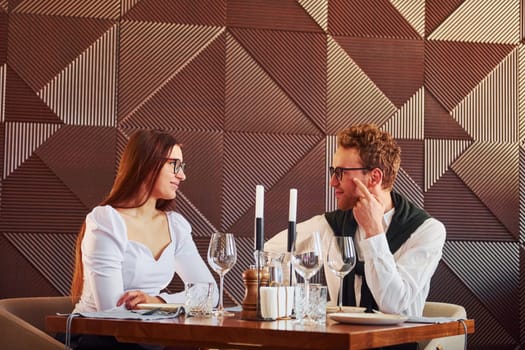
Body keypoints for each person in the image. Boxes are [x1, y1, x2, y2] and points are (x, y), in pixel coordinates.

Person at [265, 124, 445, 320]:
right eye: (333, 171)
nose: (333, 182)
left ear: (374, 177)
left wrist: (373, 232)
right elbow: (271, 251)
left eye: (341, 172)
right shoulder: (329, 225)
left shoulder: (426, 231)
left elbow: (393, 304)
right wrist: (290, 304)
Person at [67, 129, 218, 349]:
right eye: (174, 165)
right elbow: (112, 311)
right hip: (98, 337)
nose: (182, 175)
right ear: (148, 164)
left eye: (182, 167)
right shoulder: (106, 221)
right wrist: (162, 307)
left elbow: (209, 294)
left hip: (147, 336)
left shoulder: (175, 226)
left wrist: (157, 301)